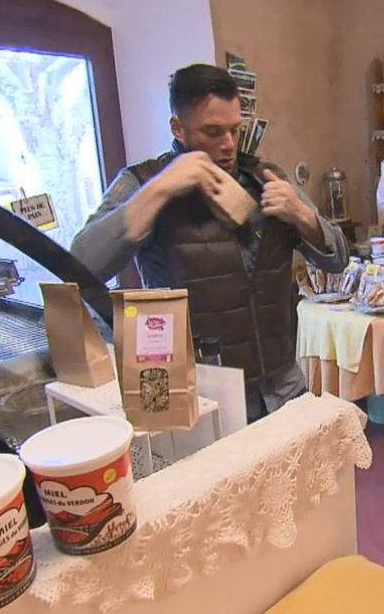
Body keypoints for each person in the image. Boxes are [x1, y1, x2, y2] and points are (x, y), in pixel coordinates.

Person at [71, 64, 349, 422]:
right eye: (213, 132)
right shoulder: (143, 182)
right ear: (178, 128)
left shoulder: (267, 178)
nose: (229, 144)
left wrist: (303, 215)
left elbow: (338, 259)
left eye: (235, 129)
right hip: (202, 397)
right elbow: (80, 268)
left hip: (282, 388)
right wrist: (160, 189)